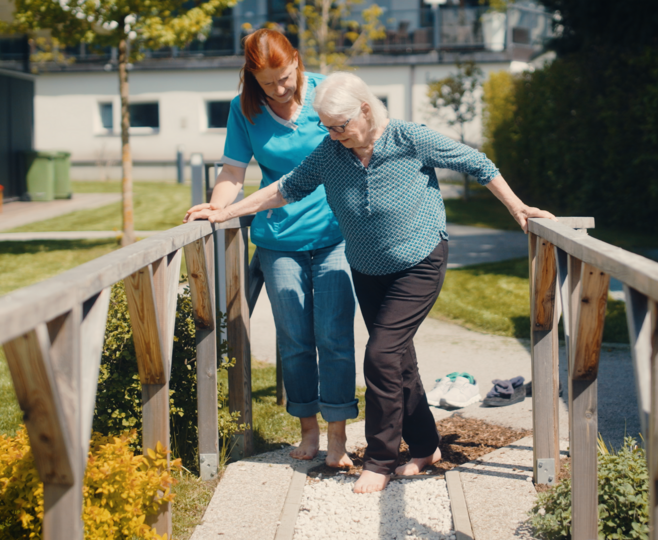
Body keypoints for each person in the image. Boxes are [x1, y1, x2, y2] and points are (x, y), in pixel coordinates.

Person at [188, 72, 557, 493]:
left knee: (381, 355)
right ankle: (425, 448)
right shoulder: (331, 152)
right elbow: (285, 189)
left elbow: (477, 163)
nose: (333, 134)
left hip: (419, 260)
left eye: (340, 126)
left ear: (365, 110)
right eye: (326, 126)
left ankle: (380, 460)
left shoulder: (409, 139)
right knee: (400, 362)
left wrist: (518, 208)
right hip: (368, 269)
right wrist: (225, 212)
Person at [184, 30, 358, 468]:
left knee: (334, 337)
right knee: (296, 340)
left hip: (336, 234)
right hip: (279, 239)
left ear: (297, 61)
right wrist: (217, 207)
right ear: (252, 78)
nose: (280, 89)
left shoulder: (326, 93)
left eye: (285, 78)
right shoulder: (245, 109)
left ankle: (338, 434)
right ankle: (308, 430)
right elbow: (233, 170)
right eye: (268, 83)